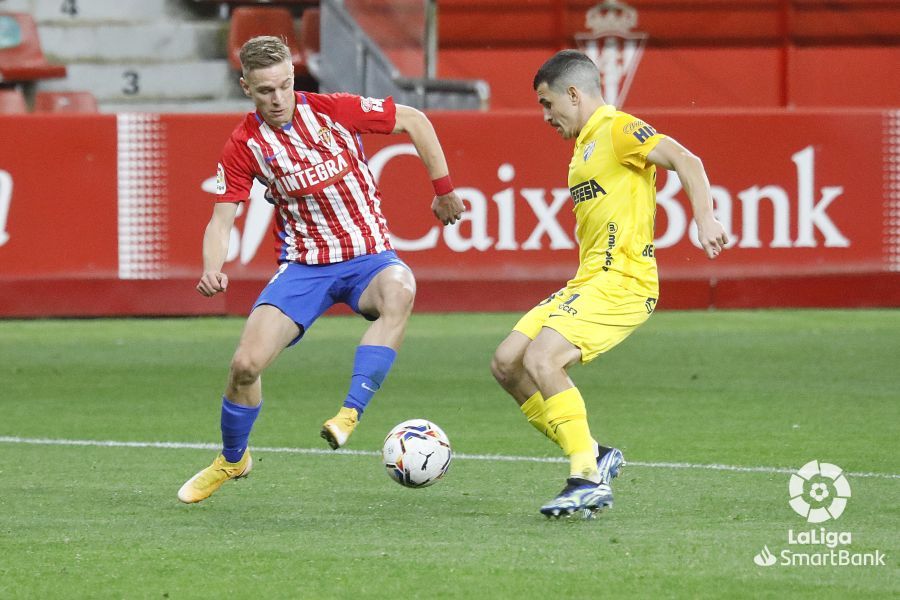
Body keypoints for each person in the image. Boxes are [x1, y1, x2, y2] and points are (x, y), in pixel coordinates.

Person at [178, 36, 464, 504]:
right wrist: (213, 267)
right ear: (246, 86)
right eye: (265, 90)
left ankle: (349, 414)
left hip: (368, 257)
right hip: (305, 267)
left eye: (285, 85)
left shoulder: (334, 110)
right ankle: (233, 460)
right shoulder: (245, 145)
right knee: (245, 366)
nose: (277, 98)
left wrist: (444, 189)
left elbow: (416, 119)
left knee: (400, 289)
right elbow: (221, 217)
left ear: (295, 78)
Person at [490, 50, 728, 518]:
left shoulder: (618, 129)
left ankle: (585, 478)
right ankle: (595, 455)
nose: (545, 116)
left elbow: (686, 159)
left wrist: (705, 219)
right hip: (588, 280)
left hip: (624, 281)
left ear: (574, 94)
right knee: (506, 364)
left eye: (547, 103)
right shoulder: (584, 145)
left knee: (542, 358)